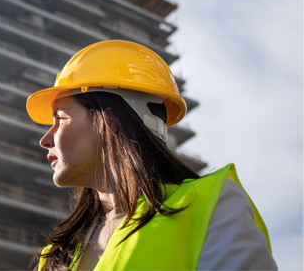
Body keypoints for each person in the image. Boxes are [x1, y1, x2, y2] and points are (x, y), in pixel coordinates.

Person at [26, 40, 277, 270]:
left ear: (109, 120)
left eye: (60, 118)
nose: (45, 139)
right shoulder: (54, 258)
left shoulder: (209, 204)